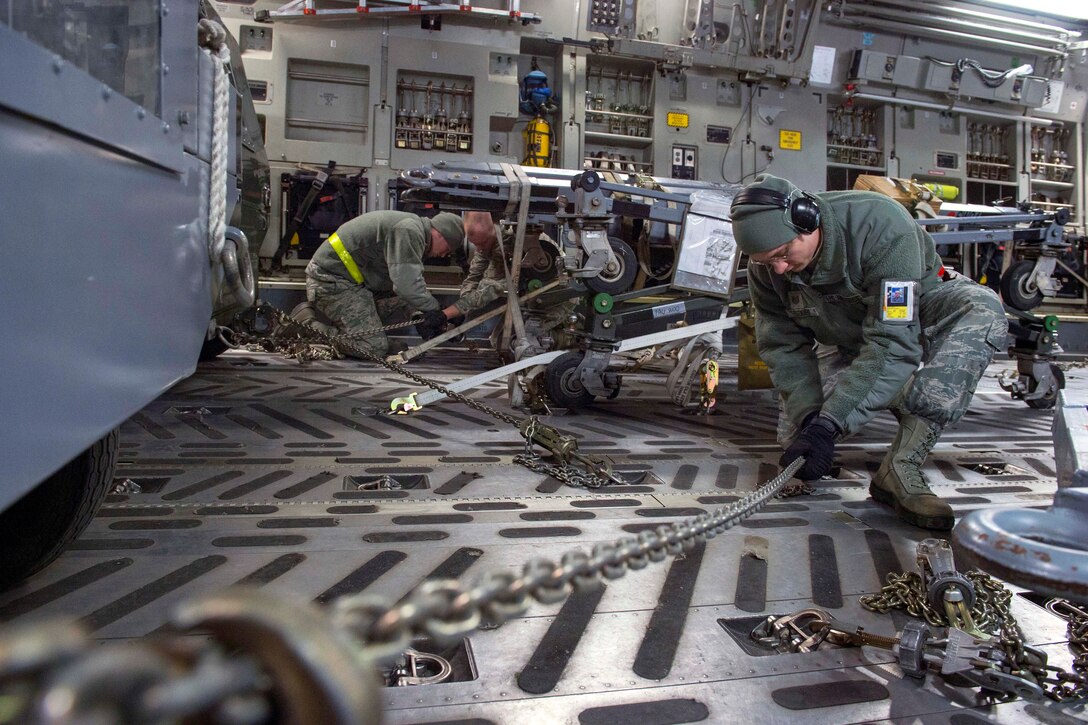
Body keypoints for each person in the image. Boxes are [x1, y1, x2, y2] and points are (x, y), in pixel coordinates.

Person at [730, 174, 1007, 530]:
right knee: (798, 443)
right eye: (768, 262)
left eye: (783, 254)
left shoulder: (881, 225)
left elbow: (893, 341)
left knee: (981, 310)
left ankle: (901, 466)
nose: (779, 269)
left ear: (807, 220)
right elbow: (782, 345)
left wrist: (832, 422)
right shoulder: (767, 269)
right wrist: (812, 418)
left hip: (917, 313)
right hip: (847, 336)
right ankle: (894, 391)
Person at [303, 210, 467, 357]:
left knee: (411, 299)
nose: (446, 254)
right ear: (440, 234)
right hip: (330, 280)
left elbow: (408, 286)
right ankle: (305, 326)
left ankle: (362, 334)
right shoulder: (410, 231)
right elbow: (406, 286)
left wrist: (422, 316)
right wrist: (437, 311)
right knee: (373, 347)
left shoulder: (415, 231)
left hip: (350, 283)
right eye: (449, 248)